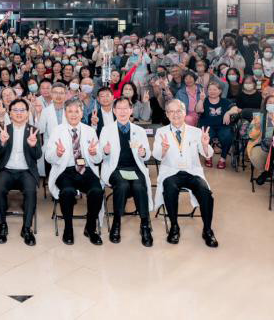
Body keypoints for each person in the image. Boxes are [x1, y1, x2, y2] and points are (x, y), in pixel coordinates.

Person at [151, 99, 218, 248]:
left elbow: (207, 155)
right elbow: (156, 155)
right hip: (171, 172)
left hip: (192, 171)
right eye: (171, 111)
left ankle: (207, 230)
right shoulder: (161, 132)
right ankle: (174, 227)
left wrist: (205, 145)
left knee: (206, 193)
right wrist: (163, 150)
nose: (175, 114)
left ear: (185, 112)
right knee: (169, 188)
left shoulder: (196, 131)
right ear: (167, 114)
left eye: (178, 111)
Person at [44, 98, 104, 246]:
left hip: (85, 168)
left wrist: (94, 153)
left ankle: (90, 228)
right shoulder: (57, 131)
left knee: (97, 190)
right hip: (65, 170)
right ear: (65, 113)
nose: (73, 114)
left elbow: (98, 159)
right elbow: (48, 157)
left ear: (82, 113)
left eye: (77, 111)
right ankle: (68, 228)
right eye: (70, 111)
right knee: (67, 192)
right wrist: (57, 153)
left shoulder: (90, 131)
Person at [99, 97, 153, 246]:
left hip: (135, 168)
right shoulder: (106, 130)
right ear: (114, 111)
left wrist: (143, 153)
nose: (122, 112)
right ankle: (116, 223)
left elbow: (147, 154)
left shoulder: (139, 131)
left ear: (131, 110)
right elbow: (100, 155)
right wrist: (105, 151)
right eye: (119, 109)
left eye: (125, 108)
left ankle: (144, 225)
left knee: (139, 186)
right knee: (122, 185)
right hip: (115, 168)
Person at [0, 98, 41, 246]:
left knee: (31, 191)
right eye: (15, 110)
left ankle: (26, 228)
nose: (19, 113)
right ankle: (2, 225)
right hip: (7, 170)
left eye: (22, 110)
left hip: (26, 171)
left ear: (27, 113)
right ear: (10, 113)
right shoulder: (5, 129)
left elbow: (38, 155)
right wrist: (2, 142)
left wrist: (33, 145)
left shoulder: (33, 130)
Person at [196, 81, 239, 169]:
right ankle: (208, 157)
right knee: (205, 136)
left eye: (215, 89)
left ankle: (223, 159)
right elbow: (198, 110)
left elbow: (236, 109)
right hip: (207, 126)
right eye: (210, 89)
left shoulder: (225, 101)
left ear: (220, 91)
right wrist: (201, 100)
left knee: (228, 136)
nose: (212, 91)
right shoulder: (204, 101)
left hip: (222, 126)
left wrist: (228, 113)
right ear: (207, 91)